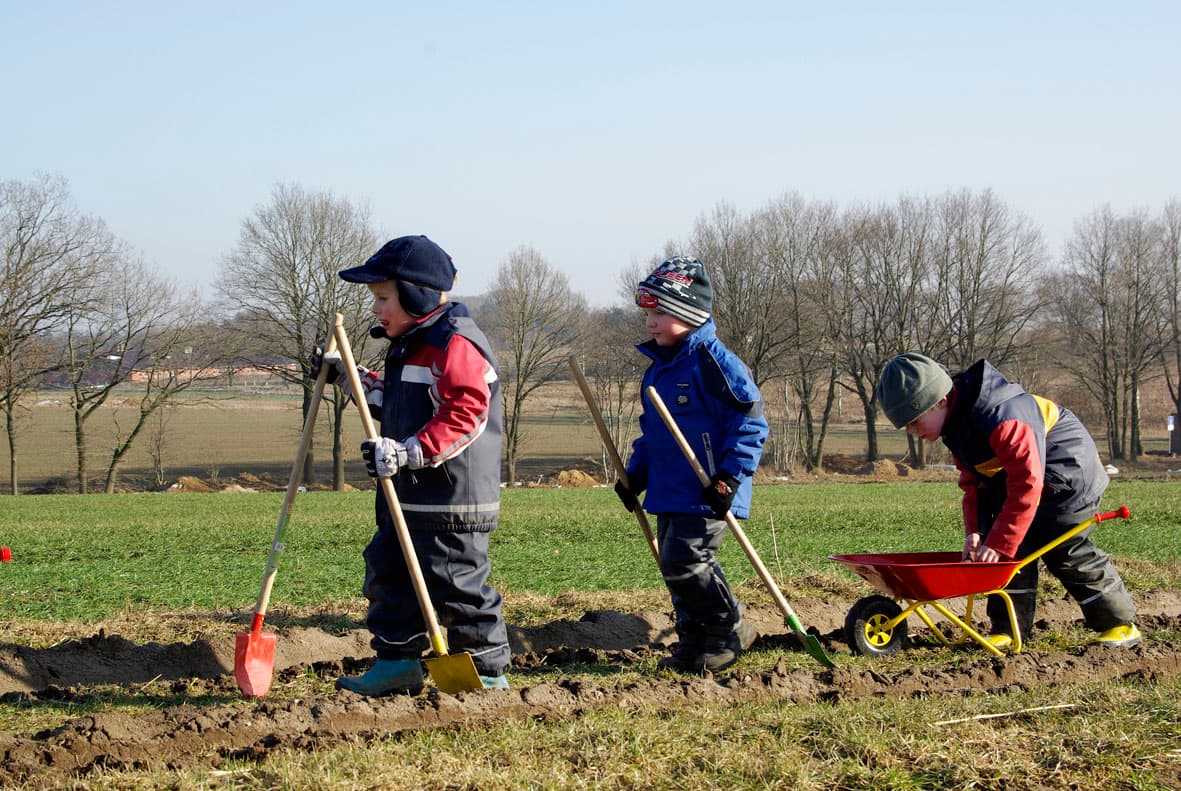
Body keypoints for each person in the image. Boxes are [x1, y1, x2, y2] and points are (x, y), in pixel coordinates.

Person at [315, 234, 511, 695]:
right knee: (389, 573)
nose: (377, 309)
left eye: (384, 298)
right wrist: (347, 375)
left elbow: (466, 414)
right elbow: (395, 404)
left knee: (457, 584)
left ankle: (486, 673)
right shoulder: (409, 343)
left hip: (451, 500)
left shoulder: (454, 342)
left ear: (416, 294)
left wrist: (408, 453)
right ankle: (398, 662)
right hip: (405, 494)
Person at [875, 352, 1141, 650]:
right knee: (1008, 556)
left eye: (914, 422)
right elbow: (973, 483)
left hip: (1067, 474)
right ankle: (1009, 630)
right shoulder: (955, 424)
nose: (913, 432)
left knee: (1064, 548)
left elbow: (1028, 482)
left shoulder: (1003, 415)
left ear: (939, 401)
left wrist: (1000, 542)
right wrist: (976, 532)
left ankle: (1119, 625)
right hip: (1021, 481)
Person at [614, 256, 769, 674]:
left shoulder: (715, 364)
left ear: (688, 313)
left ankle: (726, 631)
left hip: (707, 488)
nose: (650, 323)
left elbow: (750, 424)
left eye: (660, 314)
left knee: (688, 559)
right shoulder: (658, 372)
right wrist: (636, 474)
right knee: (674, 565)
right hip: (670, 489)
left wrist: (730, 477)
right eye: (647, 314)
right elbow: (654, 433)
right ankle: (694, 639)